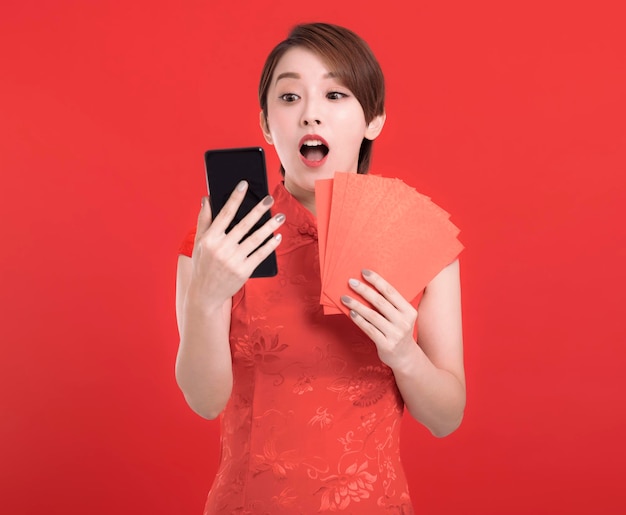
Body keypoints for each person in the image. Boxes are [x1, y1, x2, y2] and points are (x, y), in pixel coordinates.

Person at [176, 22, 465, 514]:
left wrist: (403, 353)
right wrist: (205, 298)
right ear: (267, 125)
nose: (311, 113)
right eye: (289, 97)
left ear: (373, 120)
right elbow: (205, 401)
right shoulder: (219, 243)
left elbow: (446, 417)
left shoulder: (418, 241)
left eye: (335, 94)